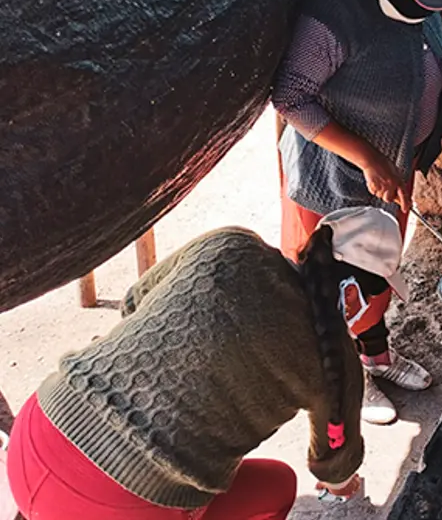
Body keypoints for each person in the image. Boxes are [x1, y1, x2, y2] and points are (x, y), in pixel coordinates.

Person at [4, 207, 408, 519]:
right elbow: (334, 471)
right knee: (278, 487)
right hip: (115, 504)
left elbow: (133, 301)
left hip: (37, 430)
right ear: (354, 297)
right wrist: (346, 483)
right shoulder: (334, 360)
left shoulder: (230, 244)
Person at [272, 0, 442, 425]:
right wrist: (366, 156)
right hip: (334, 189)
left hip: (390, 172)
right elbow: (291, 96)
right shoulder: (335, 8)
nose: (433, 4)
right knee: (335, 291)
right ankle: (347, 381)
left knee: (376, 274)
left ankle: (376, 357)